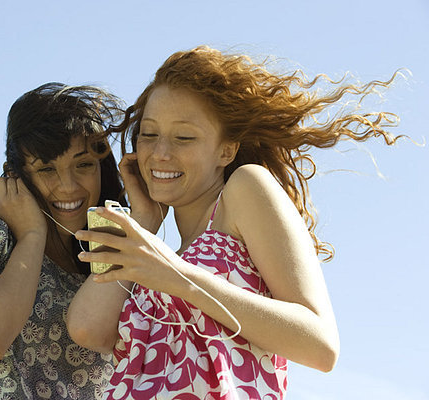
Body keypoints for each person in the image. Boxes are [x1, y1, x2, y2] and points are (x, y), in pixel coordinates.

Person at [67, 46, 403, 399]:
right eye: (149, 134)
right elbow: (88, 329)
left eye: (184, 137)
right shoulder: (161, 256)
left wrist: (177, 276)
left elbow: (320, 345)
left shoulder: (244, 189)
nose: (160, 152)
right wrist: (145, 221)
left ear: (225, 150)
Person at [0, 82, 129, 399]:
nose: (68, 186)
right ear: (17, 175)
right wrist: (32, 235)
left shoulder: (106, 259)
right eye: (47, 168)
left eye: (83, 165)